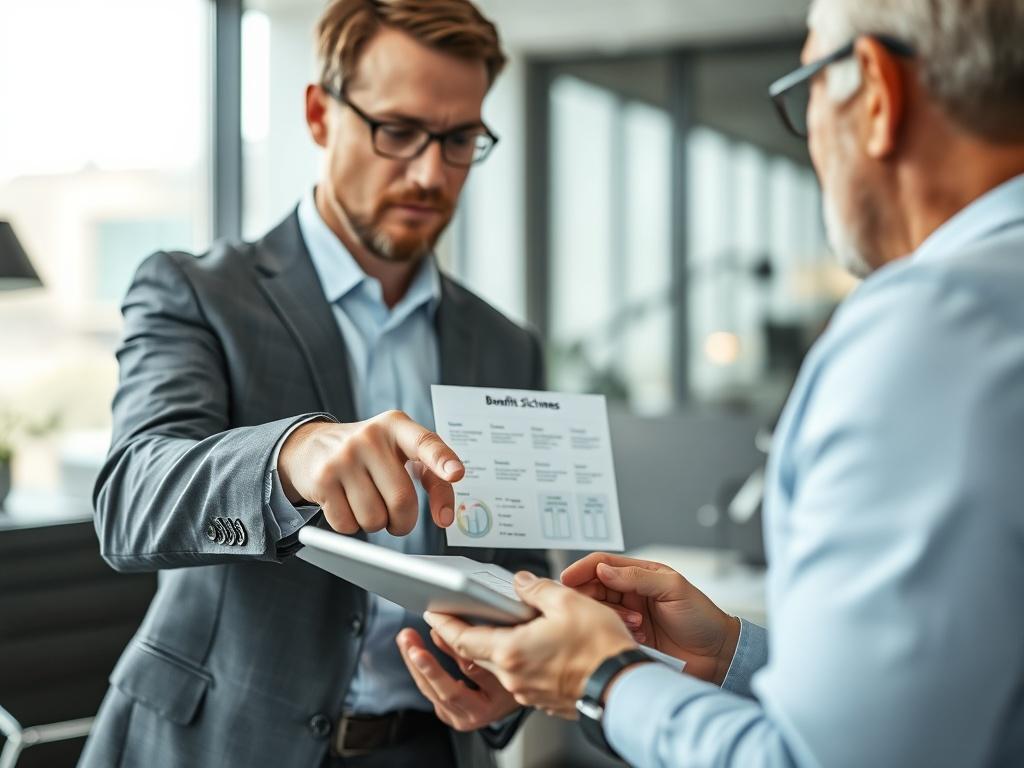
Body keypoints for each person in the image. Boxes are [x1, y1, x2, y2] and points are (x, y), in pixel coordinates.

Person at [403, 0, 1024, 765]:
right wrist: (732, 652)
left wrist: (602, 677)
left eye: (806, 90)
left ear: (873, 91)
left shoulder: (928, 327)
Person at [80, 2, 547, 767]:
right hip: (220, 745)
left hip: (432, 750)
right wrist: (289, 459)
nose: (431, 173)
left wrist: (513, 678)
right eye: (398, 130)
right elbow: (130, 502)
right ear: (320, 114)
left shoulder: (507, 347)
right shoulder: (195, 291)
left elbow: (516, 572)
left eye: (460, 139)